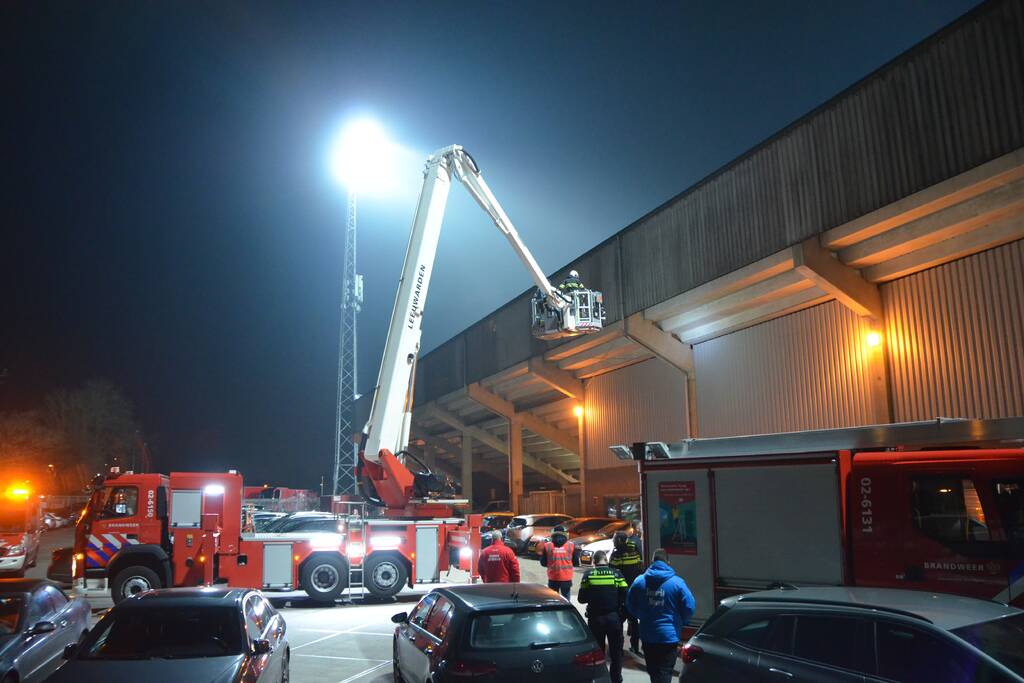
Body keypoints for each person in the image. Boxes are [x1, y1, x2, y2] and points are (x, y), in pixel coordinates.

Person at [626, 549, 696, 683]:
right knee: (665, 672)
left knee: (653, 671)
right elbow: (690, 606)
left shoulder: (639, 581)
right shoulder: (677, 583)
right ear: (668, 563)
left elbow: (630, 603)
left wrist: (641, 615)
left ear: (652, 562)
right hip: (669, 637)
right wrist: (681, 621)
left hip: (648, 635)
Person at [578, 550, 628, 683]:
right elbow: (625, 595)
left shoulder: (588, 575)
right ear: (606, 560)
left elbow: (581, 599)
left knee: (597, 653)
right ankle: (615, 678)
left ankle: (600, 678)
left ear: (594, 562)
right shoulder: (617, 574)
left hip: (595, 620)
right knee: (615, 652)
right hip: (613, 618)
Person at [609, 529, 645, 654]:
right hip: (634, 592)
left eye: (614, 539)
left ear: (619, 540)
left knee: (619, 621)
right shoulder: (634, 552)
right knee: (634, 621)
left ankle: (619, 647)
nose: (613, 541)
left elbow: (612, 573)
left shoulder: (616, 555)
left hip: (621, 594)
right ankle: (635, 646)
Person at [539, 524, 580, 599]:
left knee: (554, 600)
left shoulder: (547, 546)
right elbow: (576, 562)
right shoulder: (571, 545)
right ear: (565, 534)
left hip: (553, 578)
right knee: (566, 600)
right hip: (566, 578)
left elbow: (543, 563)